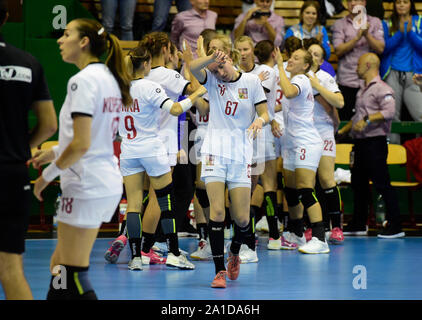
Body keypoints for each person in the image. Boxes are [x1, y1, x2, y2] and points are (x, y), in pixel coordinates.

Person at [31, 18, 132, 300]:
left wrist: (45, 178)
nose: (60, 41)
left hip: (85, 183)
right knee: (59, 269)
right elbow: (91, 138)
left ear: (84, 42)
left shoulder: (83, 80)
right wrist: (51, 152)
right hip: (102, 180)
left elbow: (82, 144)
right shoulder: (110, 79)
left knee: (71, 271)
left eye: (66, 34)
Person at [119, 45, 206, 270]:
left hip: (128, 151)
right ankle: (175, 253)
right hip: (152, 150)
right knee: (165, 201)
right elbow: (176, 109)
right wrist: (196, 94)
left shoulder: (119, 89)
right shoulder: (151, 86)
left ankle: (136, 257)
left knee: (134, 205)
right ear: (146, 64)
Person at [190, 49, 270, 288]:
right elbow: (194, 68)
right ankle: (219, 270)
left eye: (222, 68)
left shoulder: (252, 81)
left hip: (241, 154)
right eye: (215, 71)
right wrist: (210, 62)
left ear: (231, 61)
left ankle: (235, 250)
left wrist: (260, 120)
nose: (219, 74)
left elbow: (264, 113)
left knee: (243, 218)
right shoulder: (213, 80)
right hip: (215, 151)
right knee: (216, 213)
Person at [0, 0, 57, 300]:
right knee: (11, 269)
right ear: (6, 17)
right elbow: (49, 125)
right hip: (12, 174)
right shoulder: (27, 62)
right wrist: (21, 147)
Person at [338, 53, 405, 238]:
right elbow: (358, 117)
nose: (356, 68)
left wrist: (367, 120)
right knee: (358, 184)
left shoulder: (382, 88)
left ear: (368, 65)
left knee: (382, 184)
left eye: (358, 64)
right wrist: (344, 130)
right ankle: (359, 223)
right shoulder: (363, 89)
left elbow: (389, 111)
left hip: (375, 142)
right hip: (360, 143)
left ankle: (396, 225)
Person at [274, 47, 329, 254]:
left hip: (306, 142)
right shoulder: (294, 80)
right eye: (290, 56)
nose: (290, 60)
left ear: (306, 65)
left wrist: (279, 65)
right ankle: (296, 233)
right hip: (291, 142)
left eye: (296, 58)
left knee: (306, 189)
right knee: (290, 189)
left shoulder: (301, 79)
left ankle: (319, 238)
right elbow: (283, 105)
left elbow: (288, 92)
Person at [307, 43, 345, 244]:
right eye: (310, 52)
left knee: (327, 179)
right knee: (307, 182)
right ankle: (310, 227)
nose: (312, 56)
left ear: (321, 60)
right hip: (303, 132)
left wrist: (317, 86)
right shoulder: (297, 77)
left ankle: (337, 227)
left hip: (322, 130)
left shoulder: (325, 77)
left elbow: (339, 103)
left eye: (317, 54)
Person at [332, 0, 385, 121]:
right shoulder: (340, 24)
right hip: (347, 81)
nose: (353, 3)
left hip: (369, 82)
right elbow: (338, 50)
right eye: (350, 1)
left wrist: (367, 35)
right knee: (345, 120)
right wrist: (357, 37)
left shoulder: (375, 22)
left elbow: (380, 48)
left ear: (365, 3)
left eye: (357, 0)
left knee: (368, 121)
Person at [381, 0, 422, 144]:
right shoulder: (387, 23)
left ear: (411, 4)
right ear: (394, 5)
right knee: (392, 116)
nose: (401, 5)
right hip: (391, 73)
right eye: (398, 2)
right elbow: (384, 48)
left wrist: (410, 33)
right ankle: (394, 155)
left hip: (415, 76)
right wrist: (399, 33)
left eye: (405, 2)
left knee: (420, 116)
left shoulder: (419, 21)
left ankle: (419, 154)